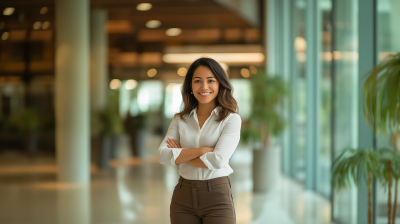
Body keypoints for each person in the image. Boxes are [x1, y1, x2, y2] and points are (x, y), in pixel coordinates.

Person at [157, 57, 241, 224]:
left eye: (211, 81)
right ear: (190, 86)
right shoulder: (180, 119)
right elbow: (162, 156)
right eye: (197, 81)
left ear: (220, 84)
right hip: (183, 195)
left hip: (217, 195)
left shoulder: (231, 119)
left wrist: (181, 155)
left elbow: (218, 160)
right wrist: (202, 151)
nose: (204, 87)